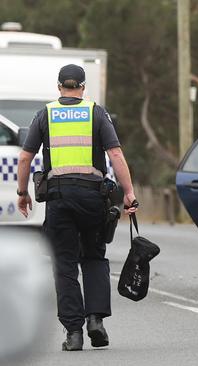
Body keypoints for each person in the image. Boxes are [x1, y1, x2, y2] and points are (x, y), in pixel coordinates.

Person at [16, 64, 138, 351]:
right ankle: (95, 320)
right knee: (94, 258)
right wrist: (129, 192)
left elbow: (24, 158)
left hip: (59, 200)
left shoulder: (44, 114)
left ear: (59, 86)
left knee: (65, 264)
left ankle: (74, 333)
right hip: (93, 198)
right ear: (82, 87)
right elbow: (116, 154)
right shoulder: (96, 112)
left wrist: (22, 192)